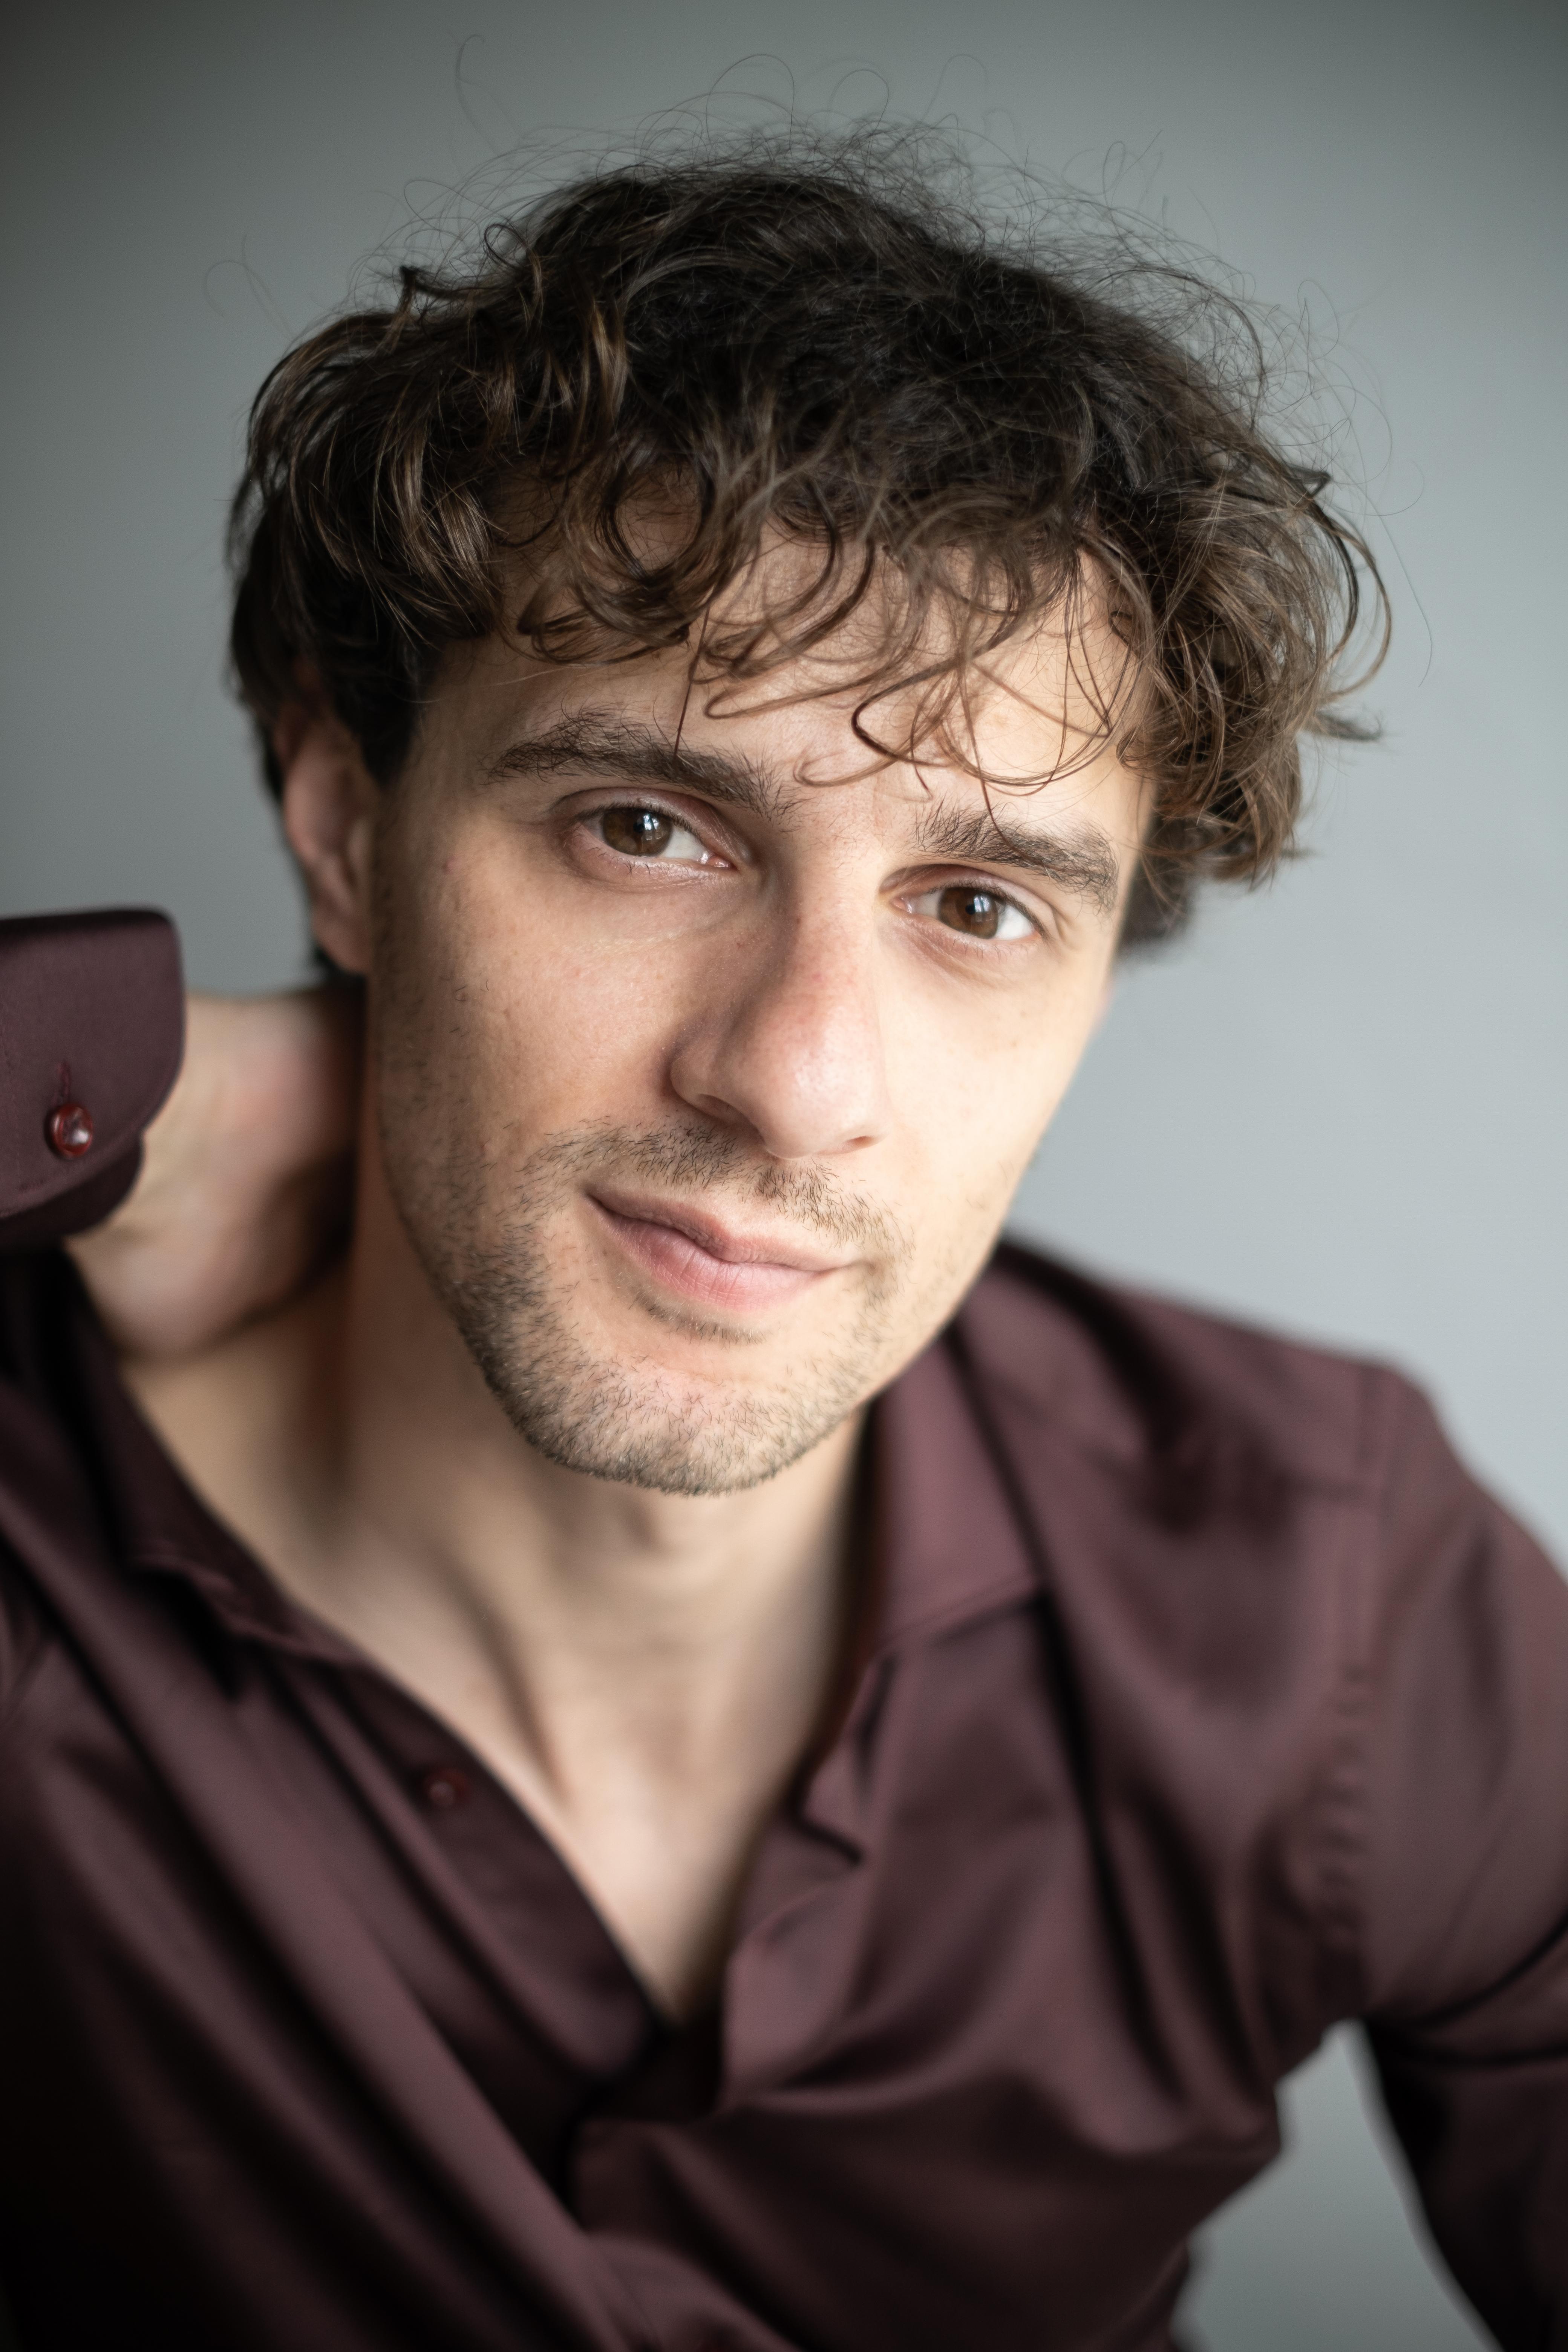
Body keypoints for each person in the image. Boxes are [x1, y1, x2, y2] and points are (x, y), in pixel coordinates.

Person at [1, 136, 1563, 2352]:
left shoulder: (1324, 1593)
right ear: (349, 827)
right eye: (645, 827)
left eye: (978, 905)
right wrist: (125, 1092)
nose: (797, 1076)